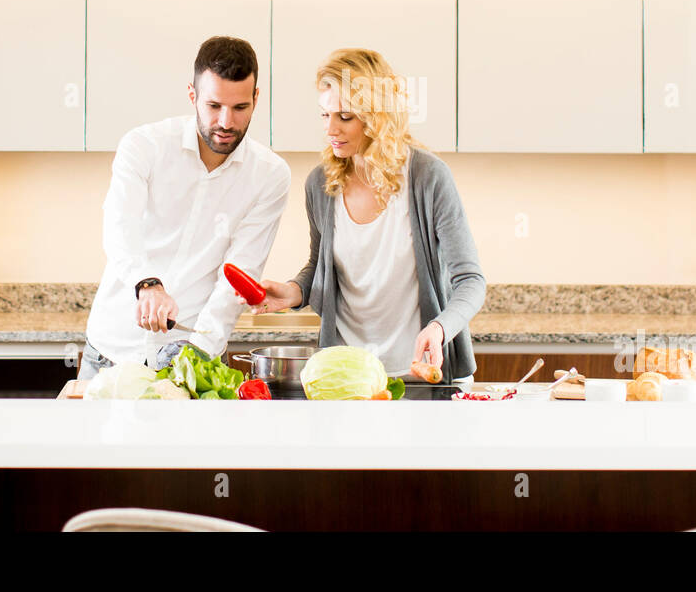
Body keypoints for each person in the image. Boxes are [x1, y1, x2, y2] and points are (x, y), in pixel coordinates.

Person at [251, 48, 484, 382]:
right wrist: (294, 292)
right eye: (324, 115)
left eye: (345, 117)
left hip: (422, 374)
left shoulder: (427, 178)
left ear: (376, 117)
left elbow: (470, 281)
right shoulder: (321, 184)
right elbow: (320, 267)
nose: (331, 129)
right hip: (349, 377)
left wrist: (440, 328)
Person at [79, 36, 290, 380]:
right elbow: (121, 227)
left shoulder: (269, 175)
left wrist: (199, 352)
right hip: (113, 351)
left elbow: (239, 271)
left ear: (255, 99)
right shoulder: (143, 146)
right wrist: (147, 285)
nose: (226, 122)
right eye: (213, 106)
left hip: (194, 356)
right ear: (192, 96)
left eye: (240, 108)